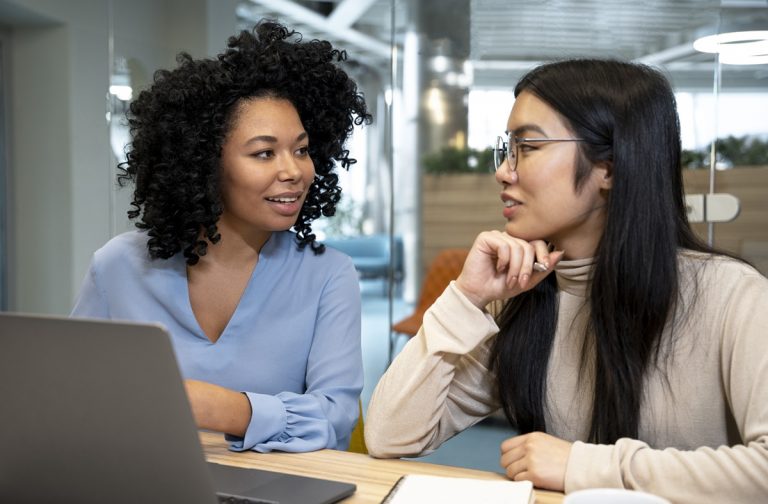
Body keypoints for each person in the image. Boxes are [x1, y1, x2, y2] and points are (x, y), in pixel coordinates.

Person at [365, 58, 768, 501]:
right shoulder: (522, 297)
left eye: (529, 147)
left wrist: (585, 465)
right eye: (507, 148)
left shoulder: (732, 295)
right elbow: (389, 436)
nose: (503, 171)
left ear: (610, 167)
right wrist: (466, 297)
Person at [71, 21, 372, 453]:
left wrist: (210, 406)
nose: (294, 171)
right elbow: (73, 393)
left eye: (301, 149)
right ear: (205, 163)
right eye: (264, 153)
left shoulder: (329, 275)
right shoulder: (118, 266)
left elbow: (335, 419)